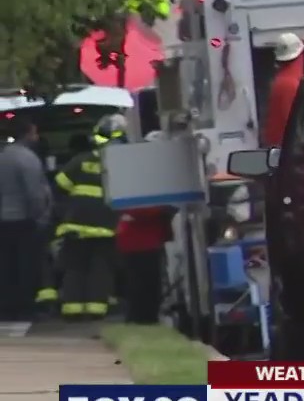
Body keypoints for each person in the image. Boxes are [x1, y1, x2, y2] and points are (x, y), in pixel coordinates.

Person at [55, 114, 127, 320]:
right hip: (106, 227)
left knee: (75, 268)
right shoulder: (121, 165)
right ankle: (96, 311)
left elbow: (59, 186)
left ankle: (72, 310)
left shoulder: (80, 160)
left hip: (76, 225)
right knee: (101, 269)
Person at [115, 131, 174, 324]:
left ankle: (144, 318)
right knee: (143, 284)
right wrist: (163, 208)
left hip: (142, 239)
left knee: (147, 284)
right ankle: (142, 319)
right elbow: (138, 208)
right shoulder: (141, 176)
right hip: (140, 240)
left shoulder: (141, 172)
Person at [0, 119, 53, 321]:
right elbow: (34, 193)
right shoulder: (27, 159)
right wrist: (39, 216)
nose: (37, 137)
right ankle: (26, 308)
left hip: (3, 220)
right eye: (35, 133)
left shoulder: (3, 156)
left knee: (6, 266)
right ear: (28, 134)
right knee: (27, 266)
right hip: (24, 220)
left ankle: (6, 307)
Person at [262, 33, 304, 147]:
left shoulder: (278, 82)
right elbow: (295, 127)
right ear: (300, 56)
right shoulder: (292, 85)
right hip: (288, 152)